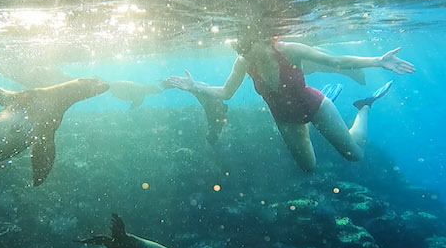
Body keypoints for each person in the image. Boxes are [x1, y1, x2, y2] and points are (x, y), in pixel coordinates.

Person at [162, 36, 415, 171]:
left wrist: (377, 61)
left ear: (261, 39)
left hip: (315, 105)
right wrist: (196, 87)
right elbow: (226, 93)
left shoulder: (288, 49)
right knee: (309, 168)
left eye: (247, 47)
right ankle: (331, 116)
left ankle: (364, 107)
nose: (244, 54)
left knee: (355, 156)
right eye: (241, 49)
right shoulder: (243, 61)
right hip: (285, 119)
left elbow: (335, 61)